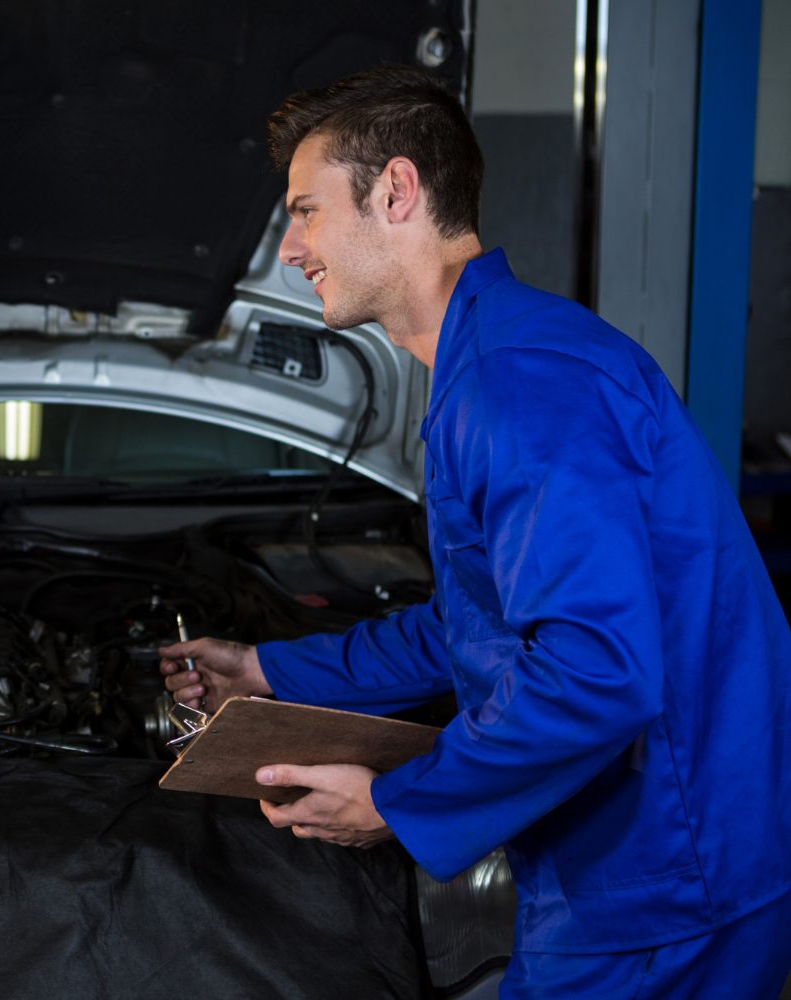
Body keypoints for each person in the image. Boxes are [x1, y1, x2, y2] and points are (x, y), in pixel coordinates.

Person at [159, 67, 791, 996]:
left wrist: (393, 803)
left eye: (306, 210)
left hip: (665, 881)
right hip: (648, 864)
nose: (292, 247)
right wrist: (266, 674)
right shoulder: (492, 362)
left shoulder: (520, 384)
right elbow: (477, 629)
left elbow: (594, 671)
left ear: (398, 191)